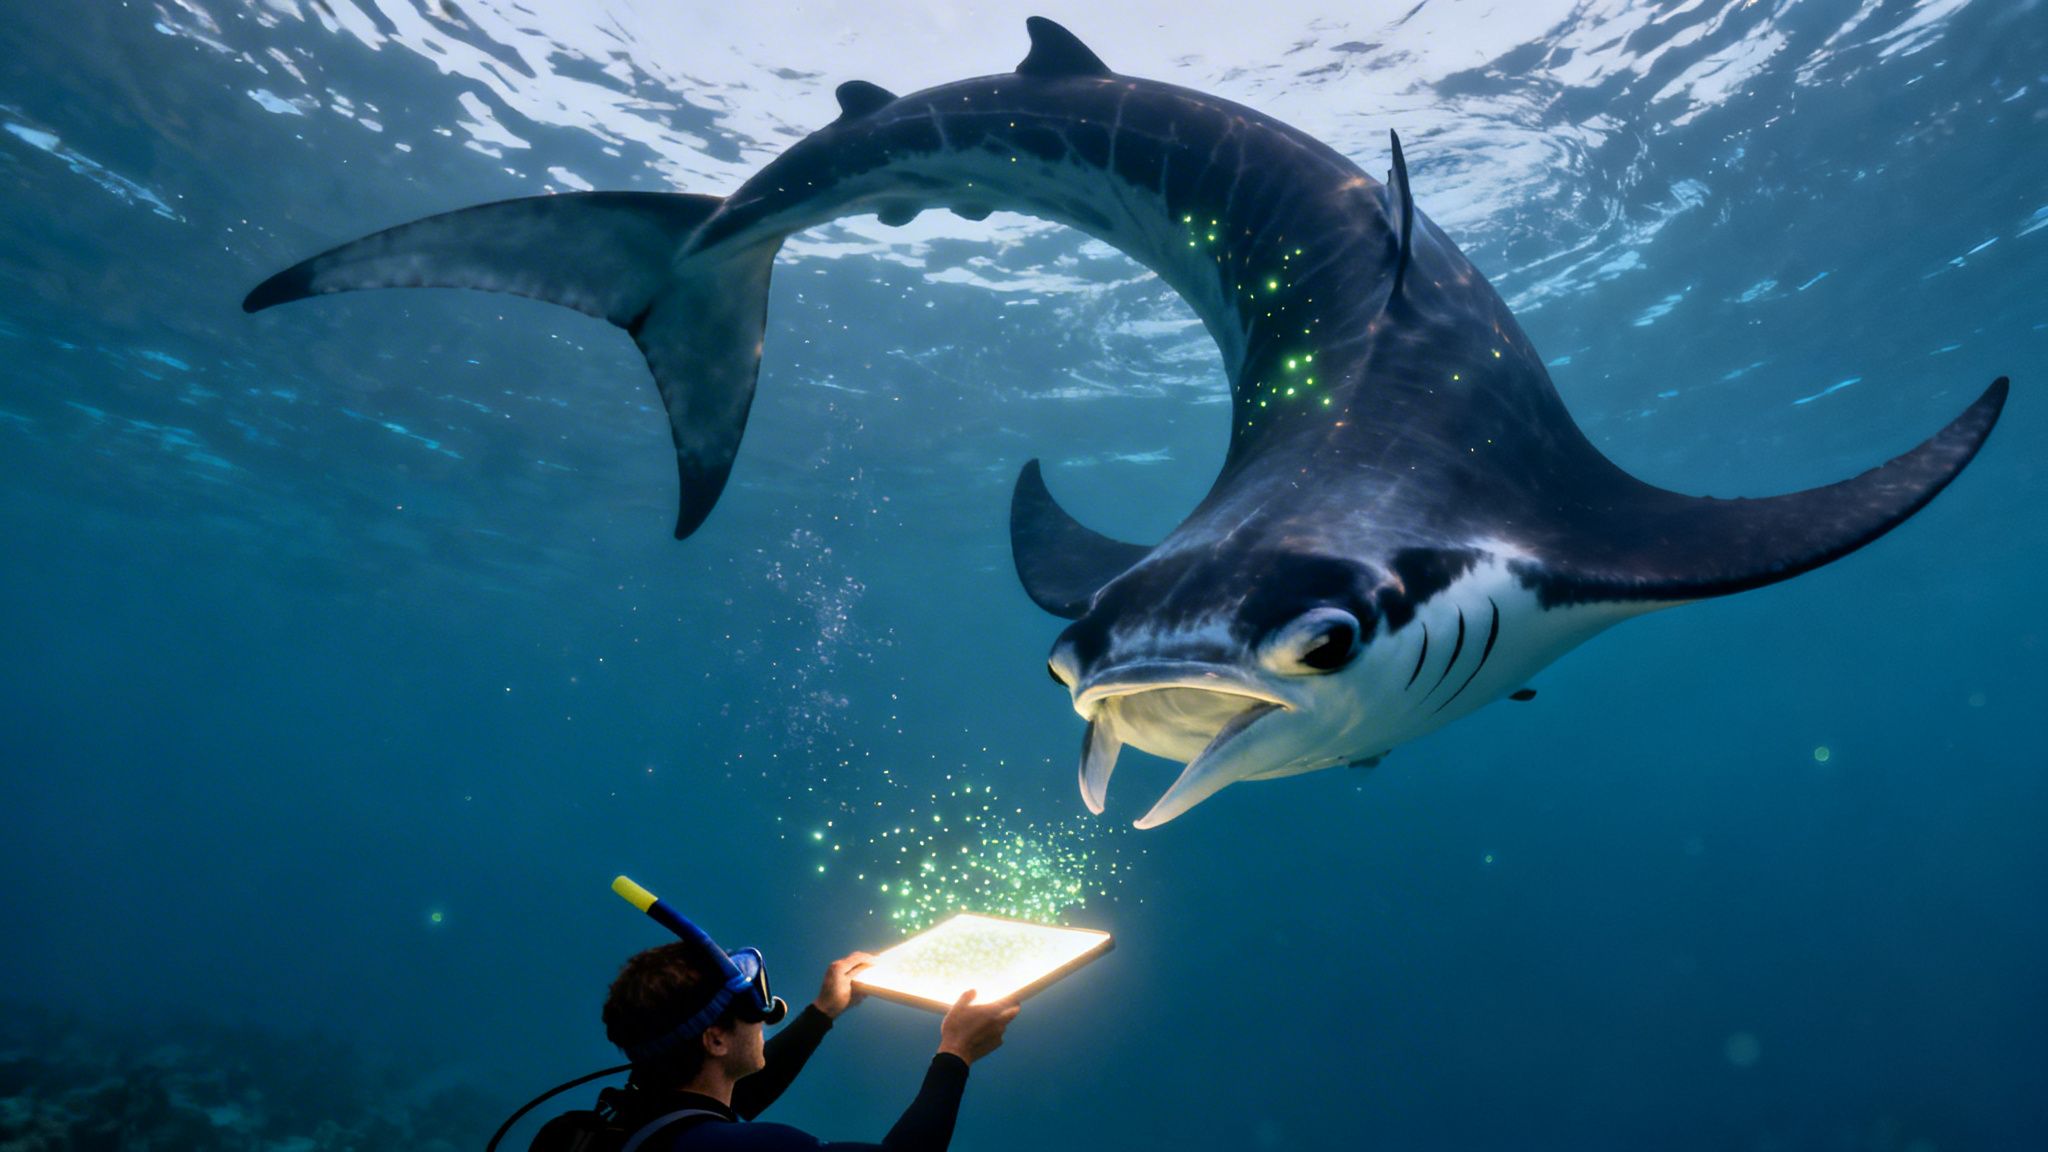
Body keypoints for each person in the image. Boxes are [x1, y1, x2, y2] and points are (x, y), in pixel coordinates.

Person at [589, 939, 1020, 1152]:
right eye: (751, 1005)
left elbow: (744, 1093)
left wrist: (823, 1011)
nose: (767, 1012)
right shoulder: (732, 1149)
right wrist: (956, 1052)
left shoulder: (632, 1123)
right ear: (715, 1039)